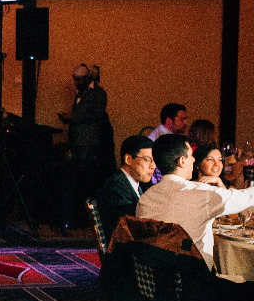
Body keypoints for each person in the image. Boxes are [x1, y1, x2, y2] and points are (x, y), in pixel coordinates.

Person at [136, 134, 254, 272]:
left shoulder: (145, 198)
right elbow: (247, 199)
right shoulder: (200, 193)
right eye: (191, 155)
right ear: (181, 161)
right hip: (194, 285)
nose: (193, 159)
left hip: (153, 284)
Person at [57, 64, 109, 224]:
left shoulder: (98, 93)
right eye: (75, 80)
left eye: (79, 80)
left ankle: (85, 217)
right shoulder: (82, 92)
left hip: (89, 141)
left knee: (86, 177)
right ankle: (77, 214)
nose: (76, 83)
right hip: (78, 140)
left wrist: (72, 118)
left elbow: (96, 114)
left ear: (87, 78)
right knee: (77, 176)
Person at [94, 135, 156, 234]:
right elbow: (129, 227)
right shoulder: (115, 186)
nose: (153, 166)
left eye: (154, 160)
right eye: (147, 160)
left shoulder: (133, 184)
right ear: (128, 159)